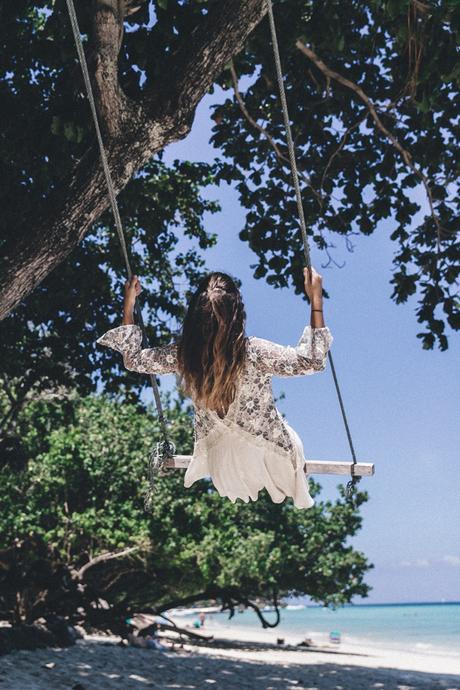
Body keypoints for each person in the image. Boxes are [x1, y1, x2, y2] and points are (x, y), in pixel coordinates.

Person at [96, 267, 333, 509]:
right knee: (288, 436)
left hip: (223, 467)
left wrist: (129, 304)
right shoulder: (254, 353)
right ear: (237, 314)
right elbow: (312, 361)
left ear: (195, 317)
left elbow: (133, 359)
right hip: (269, 458)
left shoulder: (183, 356)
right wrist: (316, 301)